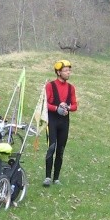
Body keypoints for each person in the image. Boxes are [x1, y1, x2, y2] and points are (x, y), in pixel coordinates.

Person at [43, 59, 78, 187]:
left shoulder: (71, 88)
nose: (68, 73)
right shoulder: (50, 86)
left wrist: (67, 108)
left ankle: (56, 178)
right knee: (51, 147)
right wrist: (56, 108)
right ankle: (47, 177)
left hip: (64, 122)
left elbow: (75, 106)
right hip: (52, 121)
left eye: (69, 70)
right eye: (66, 71)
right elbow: (44, 104)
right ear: (58, 72)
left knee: (60, 150)